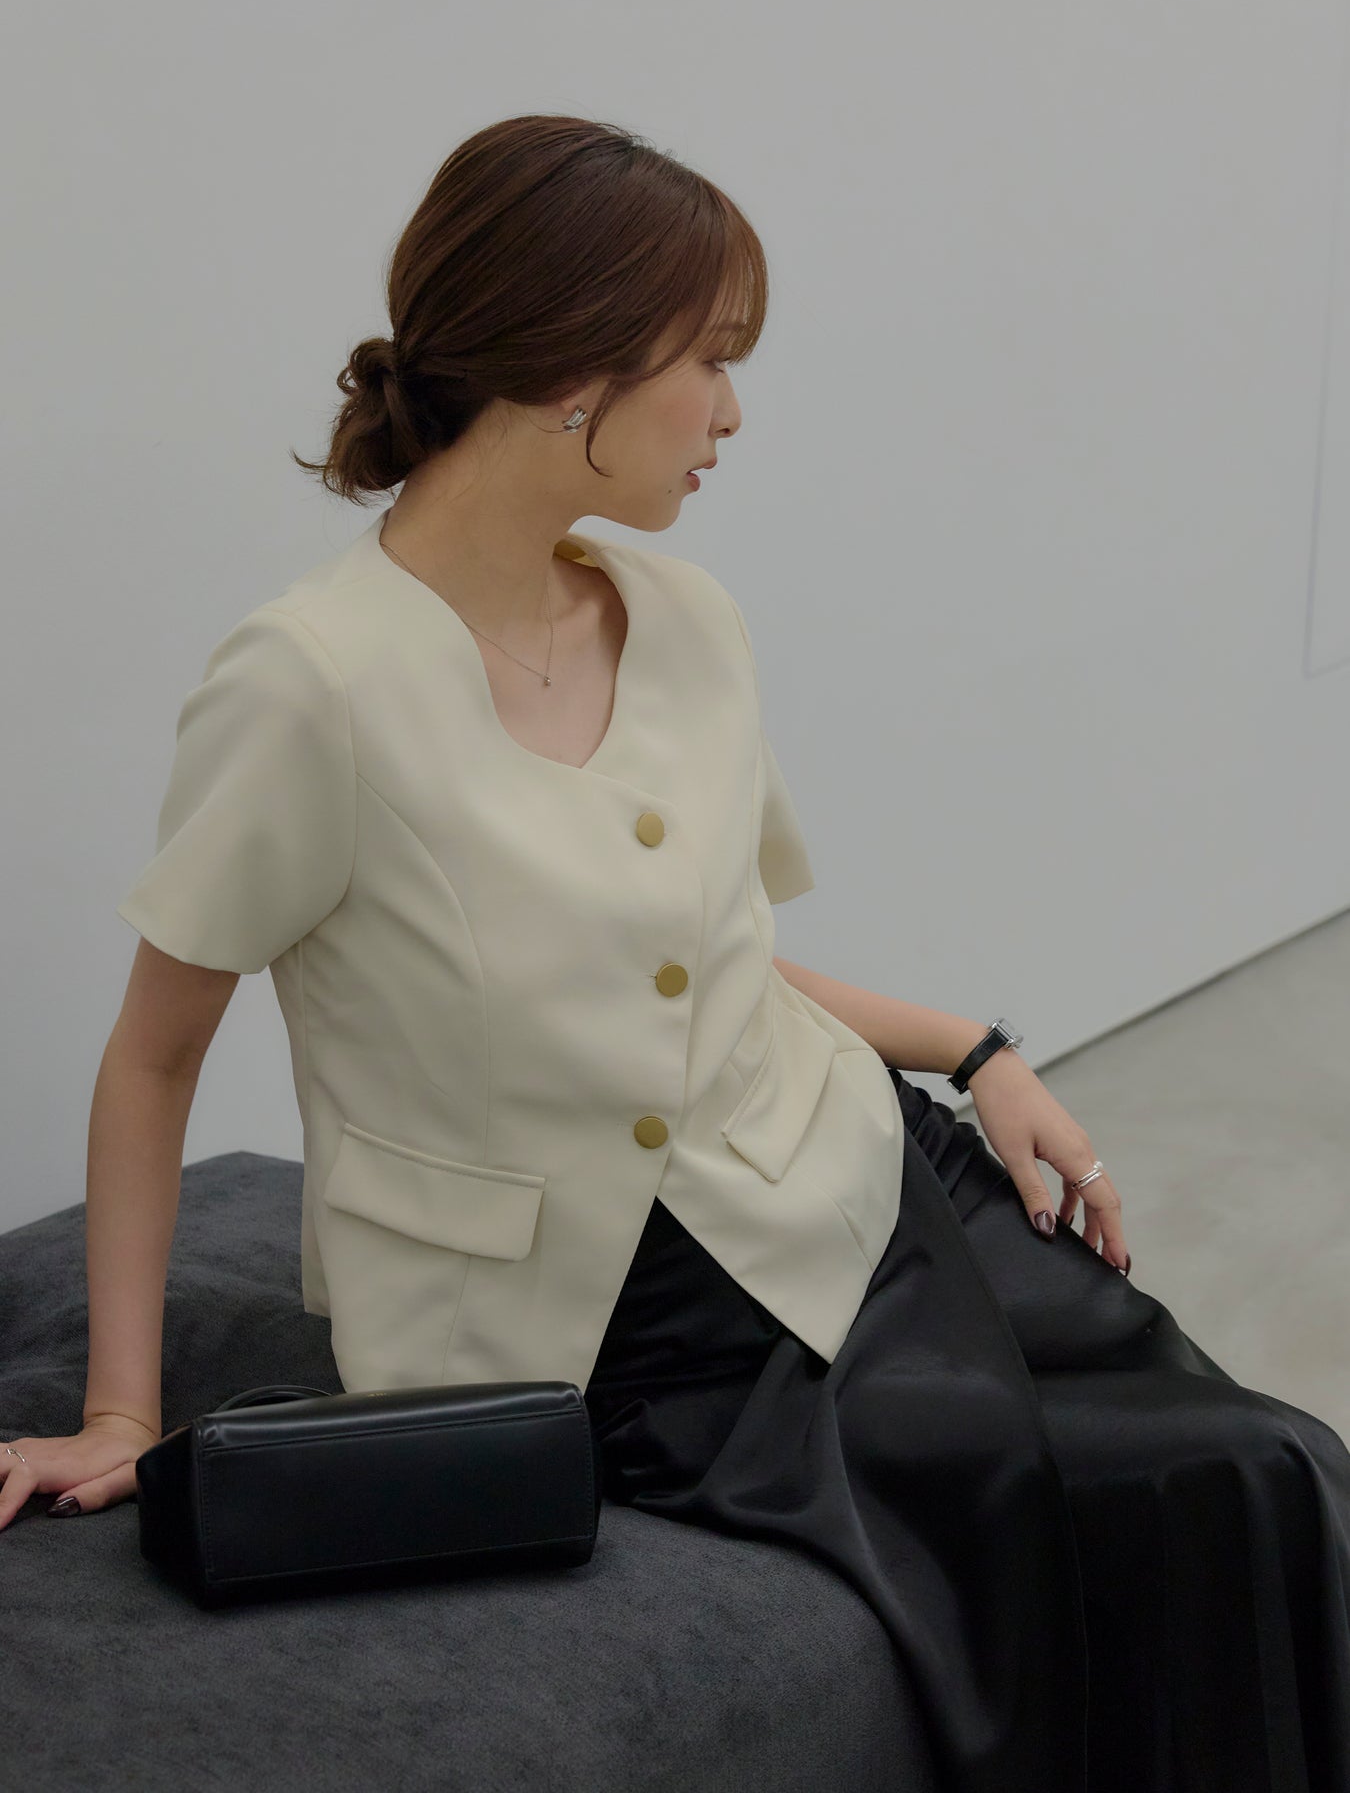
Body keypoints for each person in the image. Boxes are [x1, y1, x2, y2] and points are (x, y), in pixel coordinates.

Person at [3, 113, 1348, 1793]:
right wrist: (122, 1416)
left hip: (848, 1169)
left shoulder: (687, 625)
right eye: (710, 360)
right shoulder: (312, 683)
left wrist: (974, 1051)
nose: (731, 412)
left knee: (1274, 1464)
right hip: (626, 1320)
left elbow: (710, 967)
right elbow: (153, 1057)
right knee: (1129, 1523)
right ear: (573, 366)